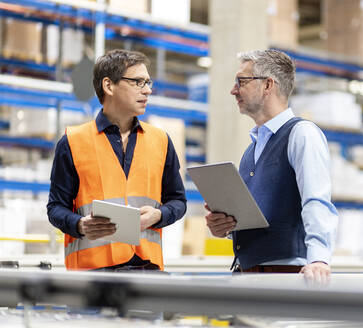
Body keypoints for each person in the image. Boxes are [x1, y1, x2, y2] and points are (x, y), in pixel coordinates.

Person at [205, 49, 338, 283]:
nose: (233, 90)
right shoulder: (251, 151)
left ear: (268, 85)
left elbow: (316, 200)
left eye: (241, 81)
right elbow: (262, 216)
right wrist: (226, 228)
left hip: (287, 273)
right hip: (249, 272)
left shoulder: (302, 134)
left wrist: (318, 259)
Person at [47, 49, 187, 271]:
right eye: (138, 82)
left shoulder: (160, 140)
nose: (148, 90)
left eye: (148, 82)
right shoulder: (73, 141)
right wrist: (80, 225)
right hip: (91, 276)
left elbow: (178, 202)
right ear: (108, 86)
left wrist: (158, 215)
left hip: (146, 271)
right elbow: (56, 207)